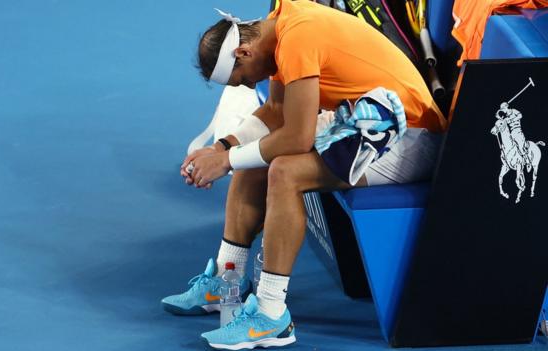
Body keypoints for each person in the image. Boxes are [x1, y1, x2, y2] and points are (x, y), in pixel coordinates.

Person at [161, 1, 448, 349]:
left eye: (243, 78)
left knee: (285, 170)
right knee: (255, 159)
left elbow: (295, 137)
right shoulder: (278, 27)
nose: (249, 85)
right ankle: (228, 281)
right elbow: (277, 111)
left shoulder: (297, 36)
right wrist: (222, 147)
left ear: (244, 51)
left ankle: (271, 315)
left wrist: (227, 161)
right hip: (364, 119)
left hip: (412, 136)